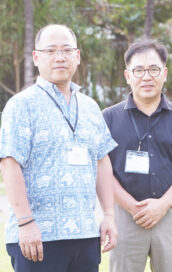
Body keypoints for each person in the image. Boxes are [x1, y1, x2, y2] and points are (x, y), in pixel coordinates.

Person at [0, 24, 118, 272]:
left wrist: (108, 215)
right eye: (51, 50)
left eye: (66, 50)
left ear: (77, 56)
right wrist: (25, 222)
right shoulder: (21, 105)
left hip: (85, 234)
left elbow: (102, 161)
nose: (60, 57)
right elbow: (10, 163)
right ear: (36, 57)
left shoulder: (90, 107)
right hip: (39, 236)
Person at [102, 40, 172, 272]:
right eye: (138, 70)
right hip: (125, 219)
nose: (146, 76)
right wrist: (132, 207)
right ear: (127, 75)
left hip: (171, 218)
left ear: (165, 73)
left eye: (153, 69)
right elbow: (102, 169)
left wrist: (162, 204)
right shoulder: (108, 118)